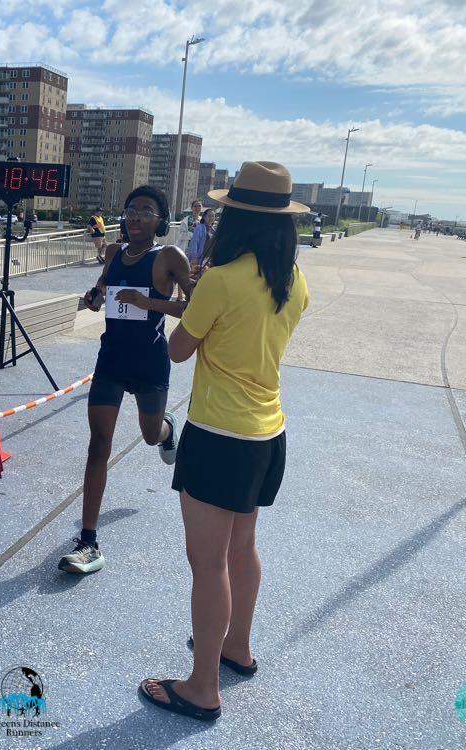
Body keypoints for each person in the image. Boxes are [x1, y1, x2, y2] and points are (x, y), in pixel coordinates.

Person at [139, 161, 310, 721]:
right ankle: (237, 646)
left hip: (218, 436)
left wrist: (195, 296)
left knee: (208, 563)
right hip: (267, 433)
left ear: (235, 218)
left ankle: (202, 687)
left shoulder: (221, 280)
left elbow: (177, 350)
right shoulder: (294, 281)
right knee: (243, 548)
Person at [58, 185, 194, 575]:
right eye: (131, 209)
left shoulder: (169, 256)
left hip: (150, 361)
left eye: (146, 210)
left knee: (150, 435)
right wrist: (94, 298)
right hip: (112, 360)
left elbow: (194, 306)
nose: (135, 216)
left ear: (160, 220)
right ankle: (88, 541)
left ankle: (167, 431)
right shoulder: (115, 252)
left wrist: (148, 302)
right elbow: (103, 286)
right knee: (99, 444)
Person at [187, 208, 216, 284]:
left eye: (213, 216)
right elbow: (194, 242)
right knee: (196, 279)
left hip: (208, 260)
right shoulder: (200, 227)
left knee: (205, 280)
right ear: (204, 217)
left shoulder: (214, 230)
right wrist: (194, 257)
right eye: (209, 216)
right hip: (200, 258)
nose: (211, 218)